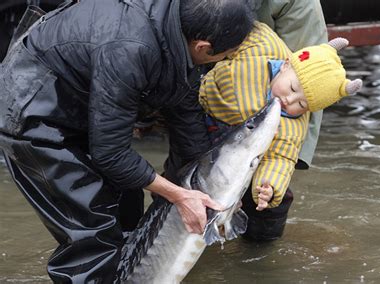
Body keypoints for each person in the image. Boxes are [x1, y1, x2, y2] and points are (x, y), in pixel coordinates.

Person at [0, 0, 254, 282]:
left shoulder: (180, 37)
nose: (225, 61)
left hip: (83, 105)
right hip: (31, 111)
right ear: (204, 47)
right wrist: (178, 194)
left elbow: (188, 123)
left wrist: (206, 189)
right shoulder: (132, 48)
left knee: (127, 202)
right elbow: (110, 155)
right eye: (226, 55)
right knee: (92, 232)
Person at [199, 22, 362, 241]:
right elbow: (238, 28)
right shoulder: (262, 49)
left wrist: (269, 186)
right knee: (183, 174)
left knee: (272, 204)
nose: (290, 100)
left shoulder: (291, 126)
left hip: (241, 151)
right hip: (200, 115)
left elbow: (280, 159)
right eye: (293, 89)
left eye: (302, 104)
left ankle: (260, 246)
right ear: (286, 64)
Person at [251, 0, 329, 170]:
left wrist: (289, 157)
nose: (290, 99)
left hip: (264, 110)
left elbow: (310, 84)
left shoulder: (298, 4)